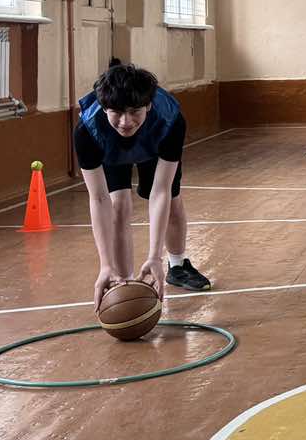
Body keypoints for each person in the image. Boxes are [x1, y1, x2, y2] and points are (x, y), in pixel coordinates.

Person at [77, 60, 211, 309]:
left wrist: (154, 256)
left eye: (134, 112)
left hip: (154, 144)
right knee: (118, 206)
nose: (125, 121)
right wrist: (105, 264)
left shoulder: (170, 120)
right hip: (110, 148)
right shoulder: (87, 130)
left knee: (172, 201)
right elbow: (98, 198)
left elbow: (160, 191)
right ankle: (124, 281)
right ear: (104, 108)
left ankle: (177, 266)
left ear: (148, 105)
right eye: (117, 112)